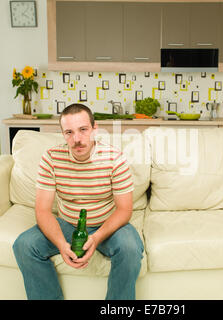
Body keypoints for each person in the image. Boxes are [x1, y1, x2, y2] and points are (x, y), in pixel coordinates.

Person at [12, 103, 144, 300]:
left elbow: (124, 210)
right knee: (24, 245)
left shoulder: (114, 158)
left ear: (94, 129)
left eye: (83, 130)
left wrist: (96, 237)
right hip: (67, 224)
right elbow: (42, 211)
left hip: (107, 226)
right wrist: (61, 244)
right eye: (69, 132)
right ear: (63, 134)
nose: (77, 139)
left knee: (130, 248)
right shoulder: (51, 159)